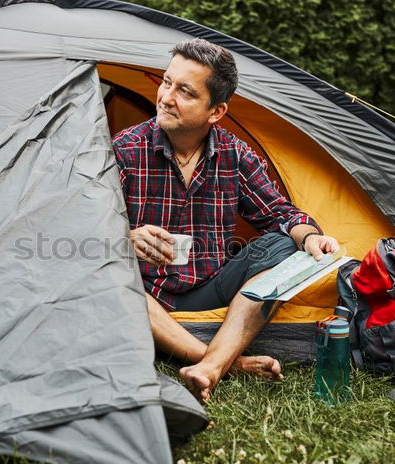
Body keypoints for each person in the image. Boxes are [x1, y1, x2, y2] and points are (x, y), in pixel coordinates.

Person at [112, 39, 339, 402]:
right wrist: (127, 237)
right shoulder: (124, 150)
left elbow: (281, 214)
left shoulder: (234, 154)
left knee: (284, 246)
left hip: (209, 289)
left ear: (215, 112)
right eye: (166, 82)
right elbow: (83, 228)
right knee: (109, 278)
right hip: (144, 295)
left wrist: (309, 236)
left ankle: (208, 363)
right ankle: (220, 363)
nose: (166, 97)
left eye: (185, 91)